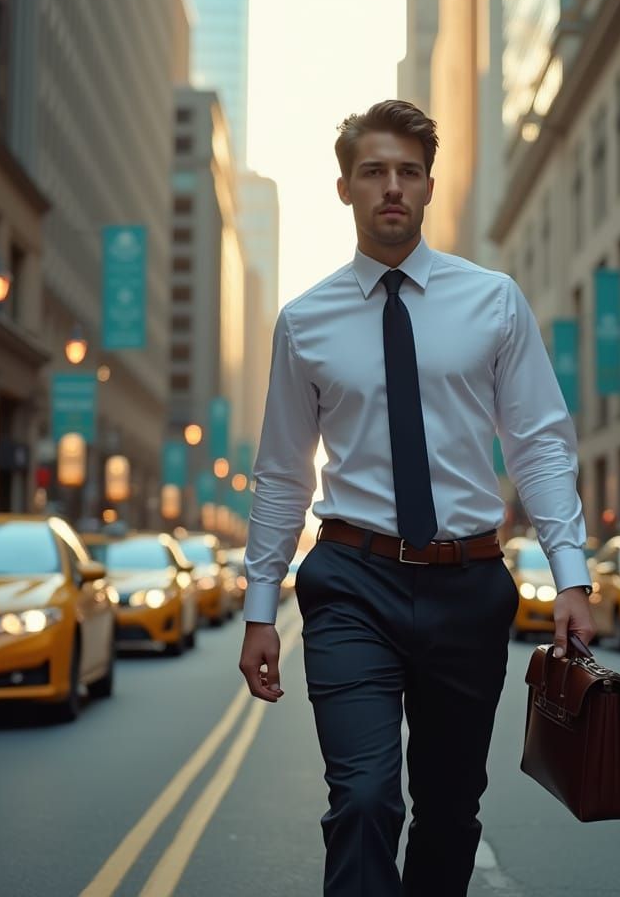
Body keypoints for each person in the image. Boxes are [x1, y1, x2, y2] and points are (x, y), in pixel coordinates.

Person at [239, 100, 594, 897]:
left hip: (467, 583)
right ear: (345, 189)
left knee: (449, 809)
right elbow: (283, 473)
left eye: (407, 171)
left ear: (429, 185)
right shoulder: (305, 322)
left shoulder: (493, 302)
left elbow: (538, 440)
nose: (391, 187)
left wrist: (570, 576)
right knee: (363, 798)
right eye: (374, 172)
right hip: (350, 582)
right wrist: (262, 607)